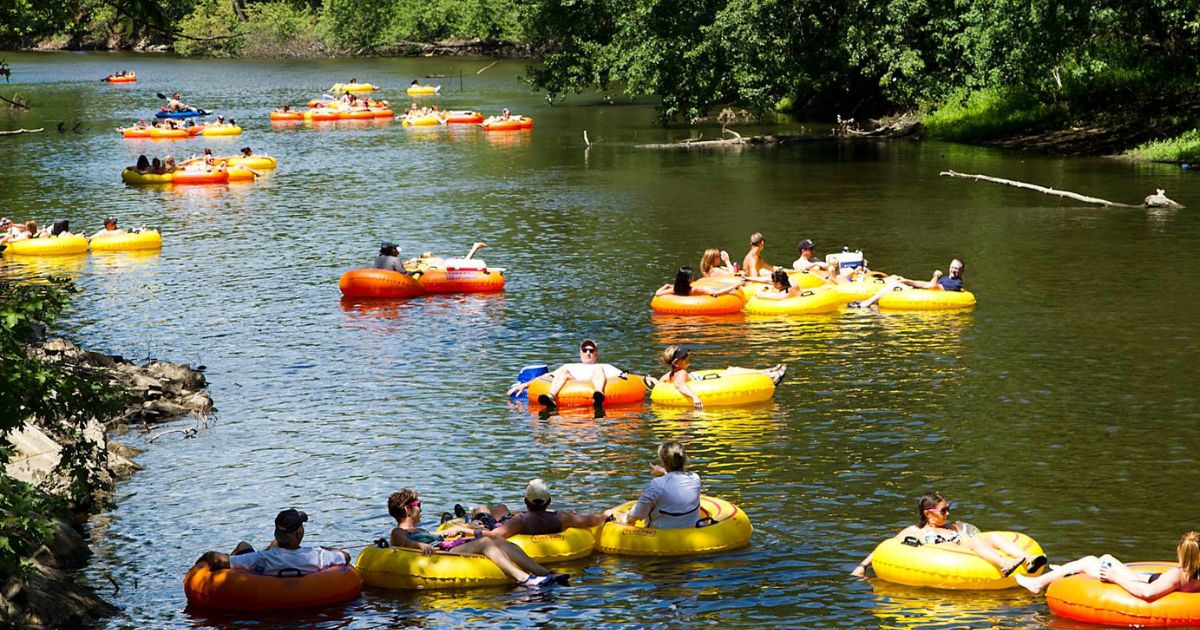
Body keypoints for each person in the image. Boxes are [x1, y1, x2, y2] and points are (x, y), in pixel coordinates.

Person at [387, 489, 567, 588]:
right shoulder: (399, 531)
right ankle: (525, 579)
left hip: (447, 547)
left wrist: (455, 530)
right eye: (418, 505)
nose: (421, 508)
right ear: (407, 510)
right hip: (442, 554)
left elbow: (436, 536)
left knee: (499, 541)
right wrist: (419, 545)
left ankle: (545, 573)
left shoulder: (421, 529)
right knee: (486, 542)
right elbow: (404, 542)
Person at [851, 491, 1047, 578]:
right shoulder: (916, 531)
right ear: (928, 514)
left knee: (991, 538)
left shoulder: (952, 527)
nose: (947, 514)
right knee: (973, 543)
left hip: (970, 553)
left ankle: (1028, 559)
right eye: (943, 511)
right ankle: (1004, 565)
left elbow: (976, 537)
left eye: (947, 509)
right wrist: (863, 566)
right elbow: (886, 547)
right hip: (949, 557)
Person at [1015, 531, 1200, 596]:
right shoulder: (1194, 576)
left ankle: (1037, 583)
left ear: (1181, 552)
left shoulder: (1178, 574)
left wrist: (1116, 578)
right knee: (1106, 558)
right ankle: (1066, 572)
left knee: (1088, 561)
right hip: (1149, 579)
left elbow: (1147, 592)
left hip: (1142, 583)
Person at [192, 509, 351, 575]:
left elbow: (219, 560)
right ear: (299, 534)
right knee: (248, 547)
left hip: (270, 564)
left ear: (276, 532)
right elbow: (346, 556)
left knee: (244, 546)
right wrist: (328, 549)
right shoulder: (317, 556)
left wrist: (207, 556)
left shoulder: (261, 559)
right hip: (294, 561)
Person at [643, 346, 786, 409]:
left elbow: (659, 385)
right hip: (708, 386)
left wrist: (650, 380)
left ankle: (769, 371)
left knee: (731, 370)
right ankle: (770, 374)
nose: (688, 358)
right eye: (684, 357)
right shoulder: (681, 373)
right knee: (733, 370)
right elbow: (680, 385)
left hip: (705, 382)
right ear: (676, 363)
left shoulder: (669, 375)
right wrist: (695, 397)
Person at [474, 479, 608, 539]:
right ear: (549, 501)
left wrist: (463, 530)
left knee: (495, 508)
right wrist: (606, 514)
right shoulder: (562, 518)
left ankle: (476, 516)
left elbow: (495, 535)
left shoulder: (519, 520)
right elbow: (591, 520)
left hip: (511, 524)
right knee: (502, 509)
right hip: (543, 523)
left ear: (525, 500)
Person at [505, 339, 615, 409]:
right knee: (562, 371)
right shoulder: (569, 366)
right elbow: (546, 377)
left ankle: (598, 394)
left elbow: (626, 377)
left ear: (596, 353)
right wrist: (524, 385)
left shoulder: (605, 366)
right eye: (585, 350)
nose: (588, 353)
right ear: (580, 352)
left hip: (594, 383)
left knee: (598, 369)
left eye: (591, 350)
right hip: (572, 383)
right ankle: (551, 396)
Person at [615, 441, 701, 529]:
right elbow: (675, 480)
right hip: (691, 531)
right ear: (684, 459)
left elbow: (639, 513)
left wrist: (625, 518)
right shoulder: (695, 478)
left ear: (663, 461)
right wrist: (664, 471)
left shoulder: (657, 484)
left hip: (661, 536)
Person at [851, 259, 965, 308]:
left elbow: (931, 287)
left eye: (956, 269)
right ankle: (870, 296)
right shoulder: (947, 278)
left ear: (961, 271)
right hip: (922, 291)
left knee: (895, 284)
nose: (953, 270)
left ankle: (866, 303)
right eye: (952, 267)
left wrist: (936, 275)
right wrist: (907, 280)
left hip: (922, 296)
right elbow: (927, 284)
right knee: (895, 277)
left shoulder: (955, 283)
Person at [655, 266, 743, 297]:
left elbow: (658, 293)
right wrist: (734, 286)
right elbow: (717, 292)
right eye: (691, 276)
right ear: (689, 279)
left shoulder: (675, 290)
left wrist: (666, 285)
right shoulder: (694, 290)